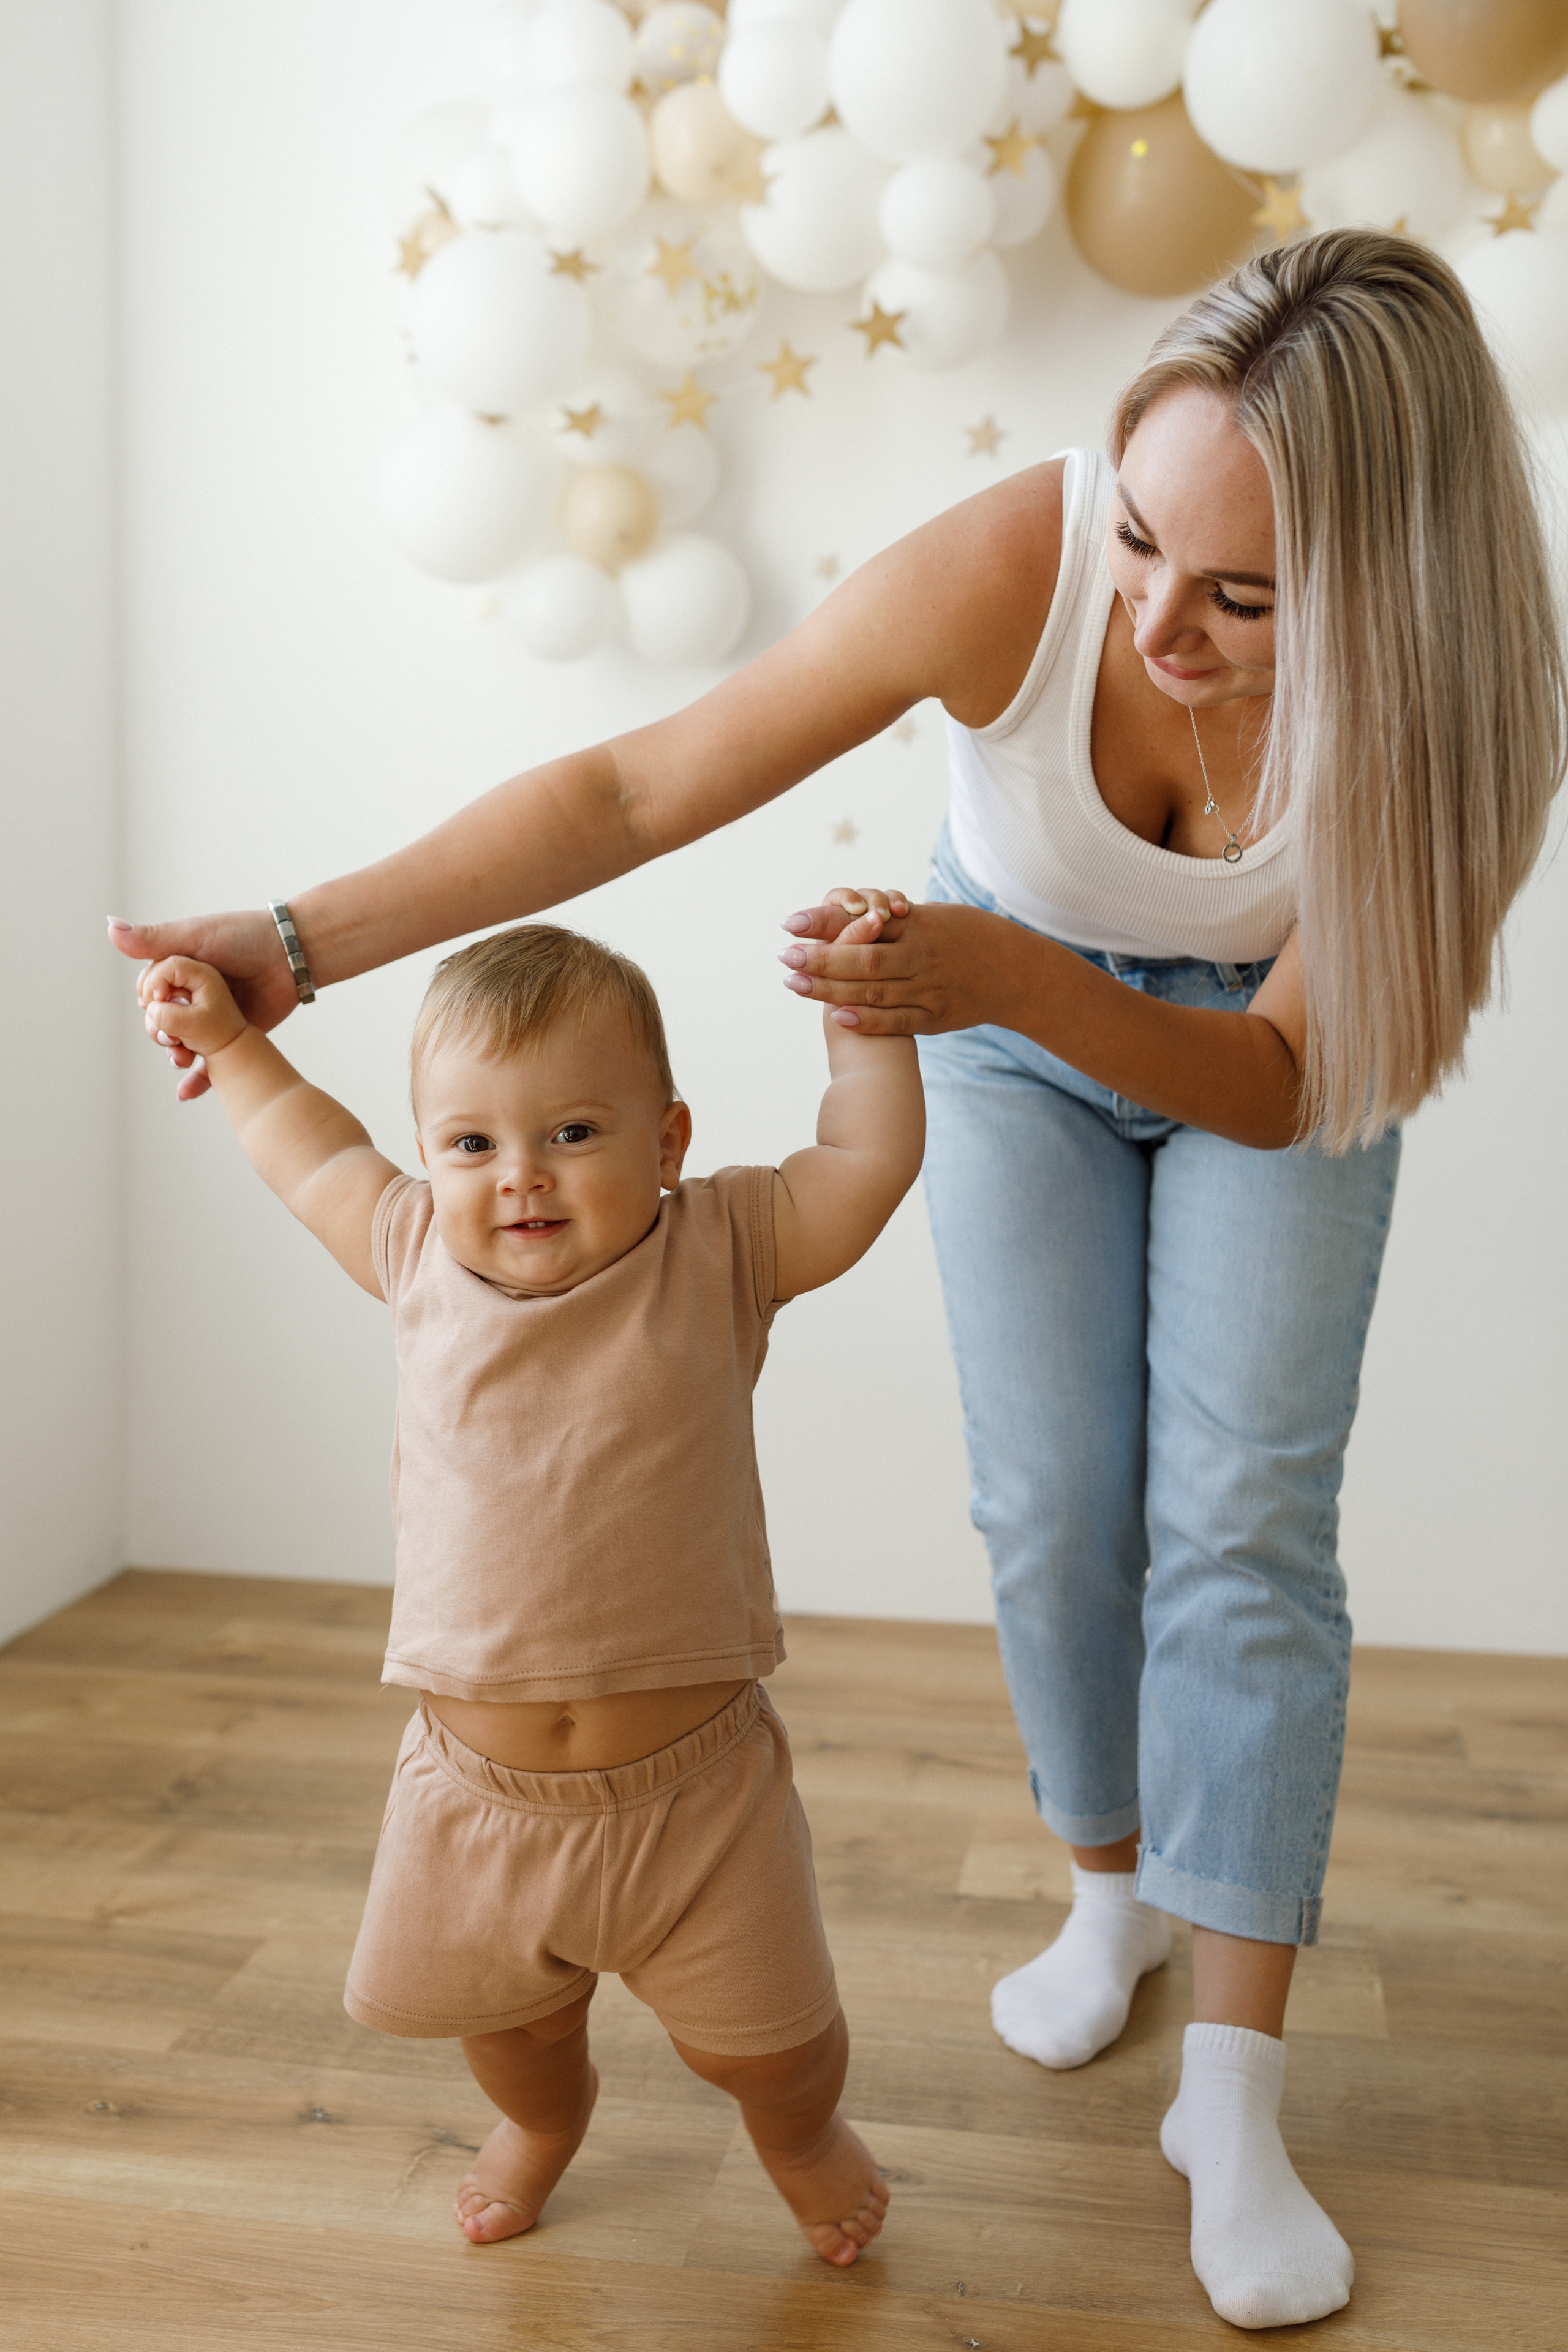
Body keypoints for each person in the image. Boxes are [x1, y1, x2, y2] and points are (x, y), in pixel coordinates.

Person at [114, 232, 1565, 2329]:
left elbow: (1268, 1084)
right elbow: (636, 785)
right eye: (1144, 536)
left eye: (1244, 600)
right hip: (991, 1020)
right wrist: (298, 939)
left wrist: (1020, 975)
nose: (1155, 619)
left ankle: (1233, 2092)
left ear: (1387, 595)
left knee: (1240, 1520)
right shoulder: (1025, 566)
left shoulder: (1463, 717)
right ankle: (1107, 1892)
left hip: (1249, 1059)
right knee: (1054, 1499)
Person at [135, 921, 924, 2262]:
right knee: (508, 2038)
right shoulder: (407, 1253)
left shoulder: (722, 1249)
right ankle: (547, 2127)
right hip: (476, 1804)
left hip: (697, 1801)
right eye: (472, 1144)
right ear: (432, 1156)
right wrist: (231, 1041)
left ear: (665, 1142)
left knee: (779, 2049)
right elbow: (311, 1145)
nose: (519, 1180)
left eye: (570, 1133)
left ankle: (798, 2140)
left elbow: (863, 1162)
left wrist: (865, 1024)